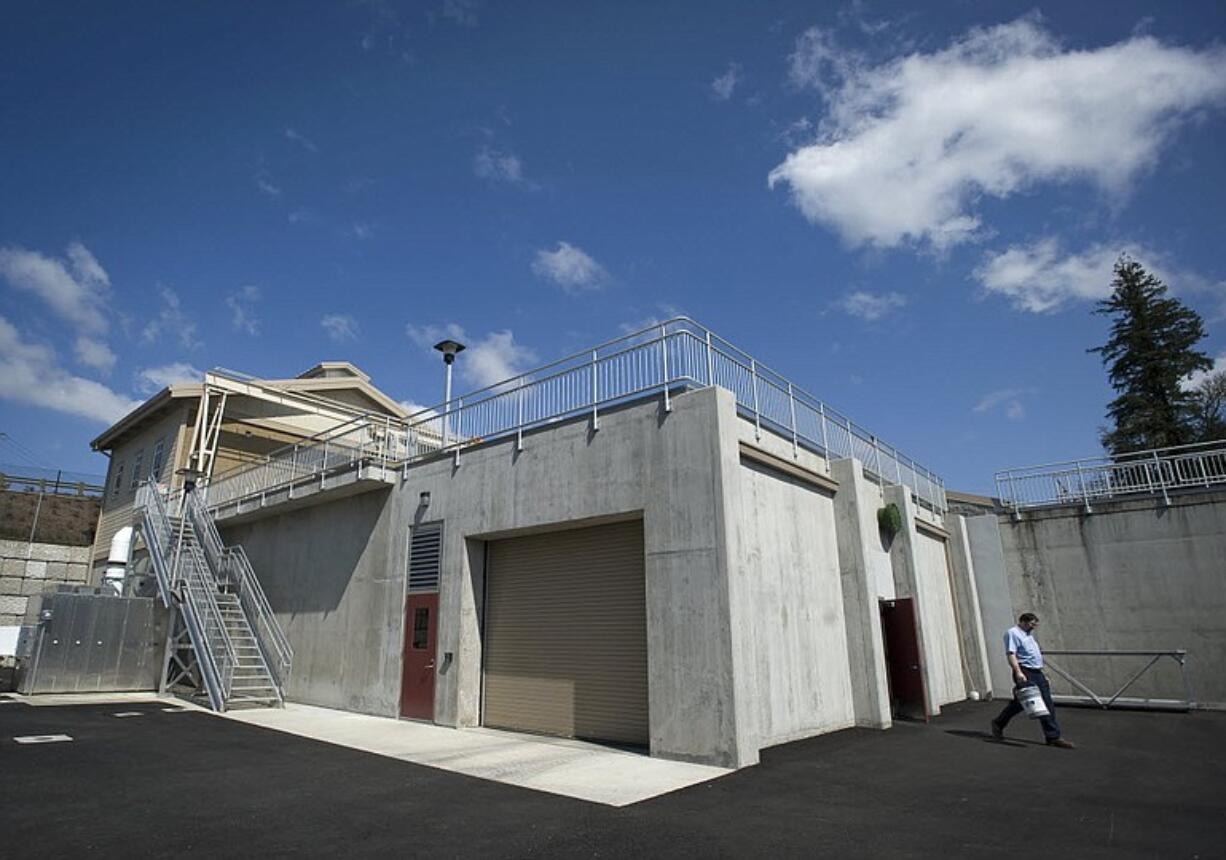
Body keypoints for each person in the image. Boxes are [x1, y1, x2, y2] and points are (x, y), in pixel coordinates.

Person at [990, 612, 1075, 749]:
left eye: (1035, 624)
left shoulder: (1028, 635)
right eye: (1031, 624)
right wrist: (1018, 672)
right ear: (1023, 622)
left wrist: (1042, 673)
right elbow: (1011, 654)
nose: (1033, 627)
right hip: (1025, 671)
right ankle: (999, 723)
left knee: (1044, 703)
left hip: (1037, 672)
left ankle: (1053, 737)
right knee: (1030, 702)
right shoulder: (1013, 633)